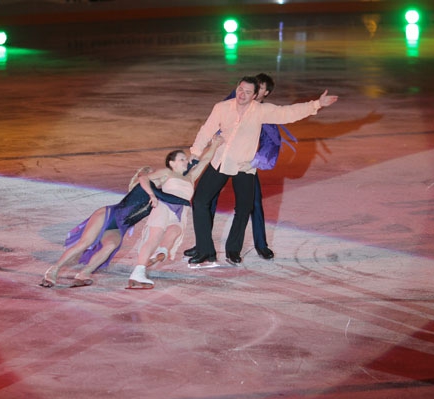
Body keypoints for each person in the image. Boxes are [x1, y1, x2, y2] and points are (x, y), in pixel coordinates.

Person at [187, 76, 338, 266]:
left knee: (243, 209)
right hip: (221, 162)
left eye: (247, 92)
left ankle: (233, 250)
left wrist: (317, 104)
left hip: (244, 166)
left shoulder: (260, 111)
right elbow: (206, 130)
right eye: (240, 89)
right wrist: (195, 152)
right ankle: (205, 250)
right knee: (200, 201)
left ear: (255, 95)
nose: (242, 94)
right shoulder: (222, 107)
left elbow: (288, 113)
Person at [40, 157, 194, 288]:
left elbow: (171, 198)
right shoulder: (145, 186)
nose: (159, 177)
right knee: (84, 243)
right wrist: (188, 202)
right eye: (154, 175)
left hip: (120, 226)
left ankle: (84, 273)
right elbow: (145, 179)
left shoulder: (158, 193)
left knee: (111, 245)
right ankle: (53, 270)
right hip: (108, 215)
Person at [183, 73, 289, 261]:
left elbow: (271, 144)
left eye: (260, 88)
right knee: (206, 200)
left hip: (247, 165)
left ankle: (259, 245)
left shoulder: (266, 113)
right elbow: (217, 122)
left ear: (263, 93)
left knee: (251, 205)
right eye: (244, 89)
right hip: (223, 160)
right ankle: (202, 245)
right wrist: (208, 144)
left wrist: (254, 162)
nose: (247, 92)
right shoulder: (235, 102)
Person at [127, 133, 223, 289]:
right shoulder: (167, 173)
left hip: (180, 212)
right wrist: (152, 195)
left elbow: (205, 160)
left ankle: (160, 253)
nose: (186, 161)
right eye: (182, 159)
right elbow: (143, 178)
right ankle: (138, 272)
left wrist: (215, 145)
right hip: (164, 208)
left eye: (185, 159)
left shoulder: (191, 177)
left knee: (175, 232)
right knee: (153, 238)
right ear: (172, 163)